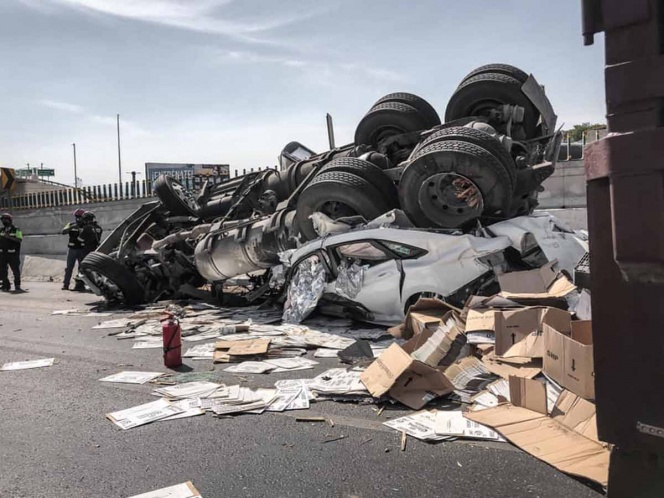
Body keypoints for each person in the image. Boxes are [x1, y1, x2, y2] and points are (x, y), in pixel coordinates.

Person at [61, 208, 86, 291]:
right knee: (69, 268)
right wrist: (72, 227)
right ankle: (66, 285)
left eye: (80, 217)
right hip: (72, 250)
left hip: (82, 250)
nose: (78, 218)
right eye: (77, 217)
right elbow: (63, 231)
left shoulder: (86, 226)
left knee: (81, 268)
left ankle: (80, 285)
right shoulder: (71, 224)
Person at [0, 212, 24, 293]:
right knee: (2, 270)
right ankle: (5, 285)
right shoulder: (1, 230)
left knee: (15, 271)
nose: (4, 221)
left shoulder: (16, 229)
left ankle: (17, 286)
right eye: (2, 219)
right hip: (3, 253)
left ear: (10, 220)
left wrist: (9, 237)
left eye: (5, 219)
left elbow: (19, 239)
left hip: (13, 254)